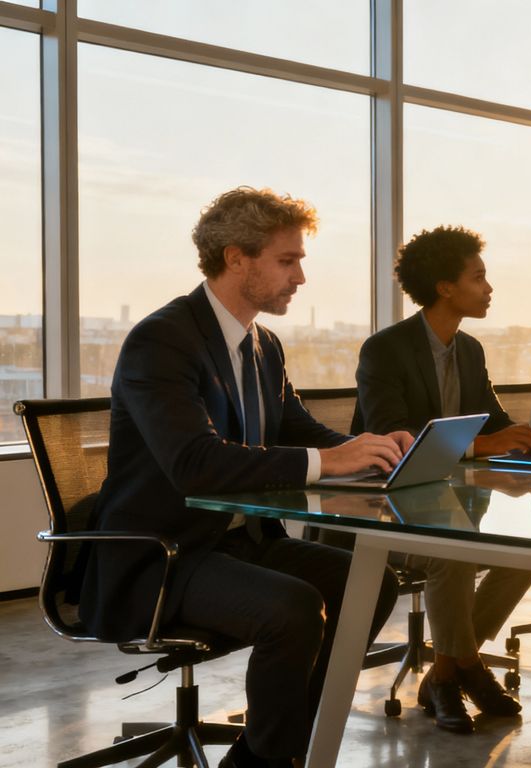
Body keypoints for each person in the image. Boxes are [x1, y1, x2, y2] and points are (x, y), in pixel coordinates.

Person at [78, 187, 403, 768]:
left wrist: (371, 449)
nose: (300, 277)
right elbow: (194, 463)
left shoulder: (263, 344)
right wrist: (333, 463)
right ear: (235, 258)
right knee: (294, 608)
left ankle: (274, 749)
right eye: (288, 260)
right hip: (161, 554)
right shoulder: (162, 340)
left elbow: (296, 428)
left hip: (236, 541)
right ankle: (270, 759)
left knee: (370, 583)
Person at [354, 225, 531, 733]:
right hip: (386, 504)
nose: (489, 288)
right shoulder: (385, 349)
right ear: (446, 288)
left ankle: (448, 668)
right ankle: (461, 671)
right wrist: (482, 446)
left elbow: (489, 419)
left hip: (454, 500)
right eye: (479, 277)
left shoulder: (468, 350)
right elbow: (392, 435)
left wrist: (525, 436)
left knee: (528, 550)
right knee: (452, 550)